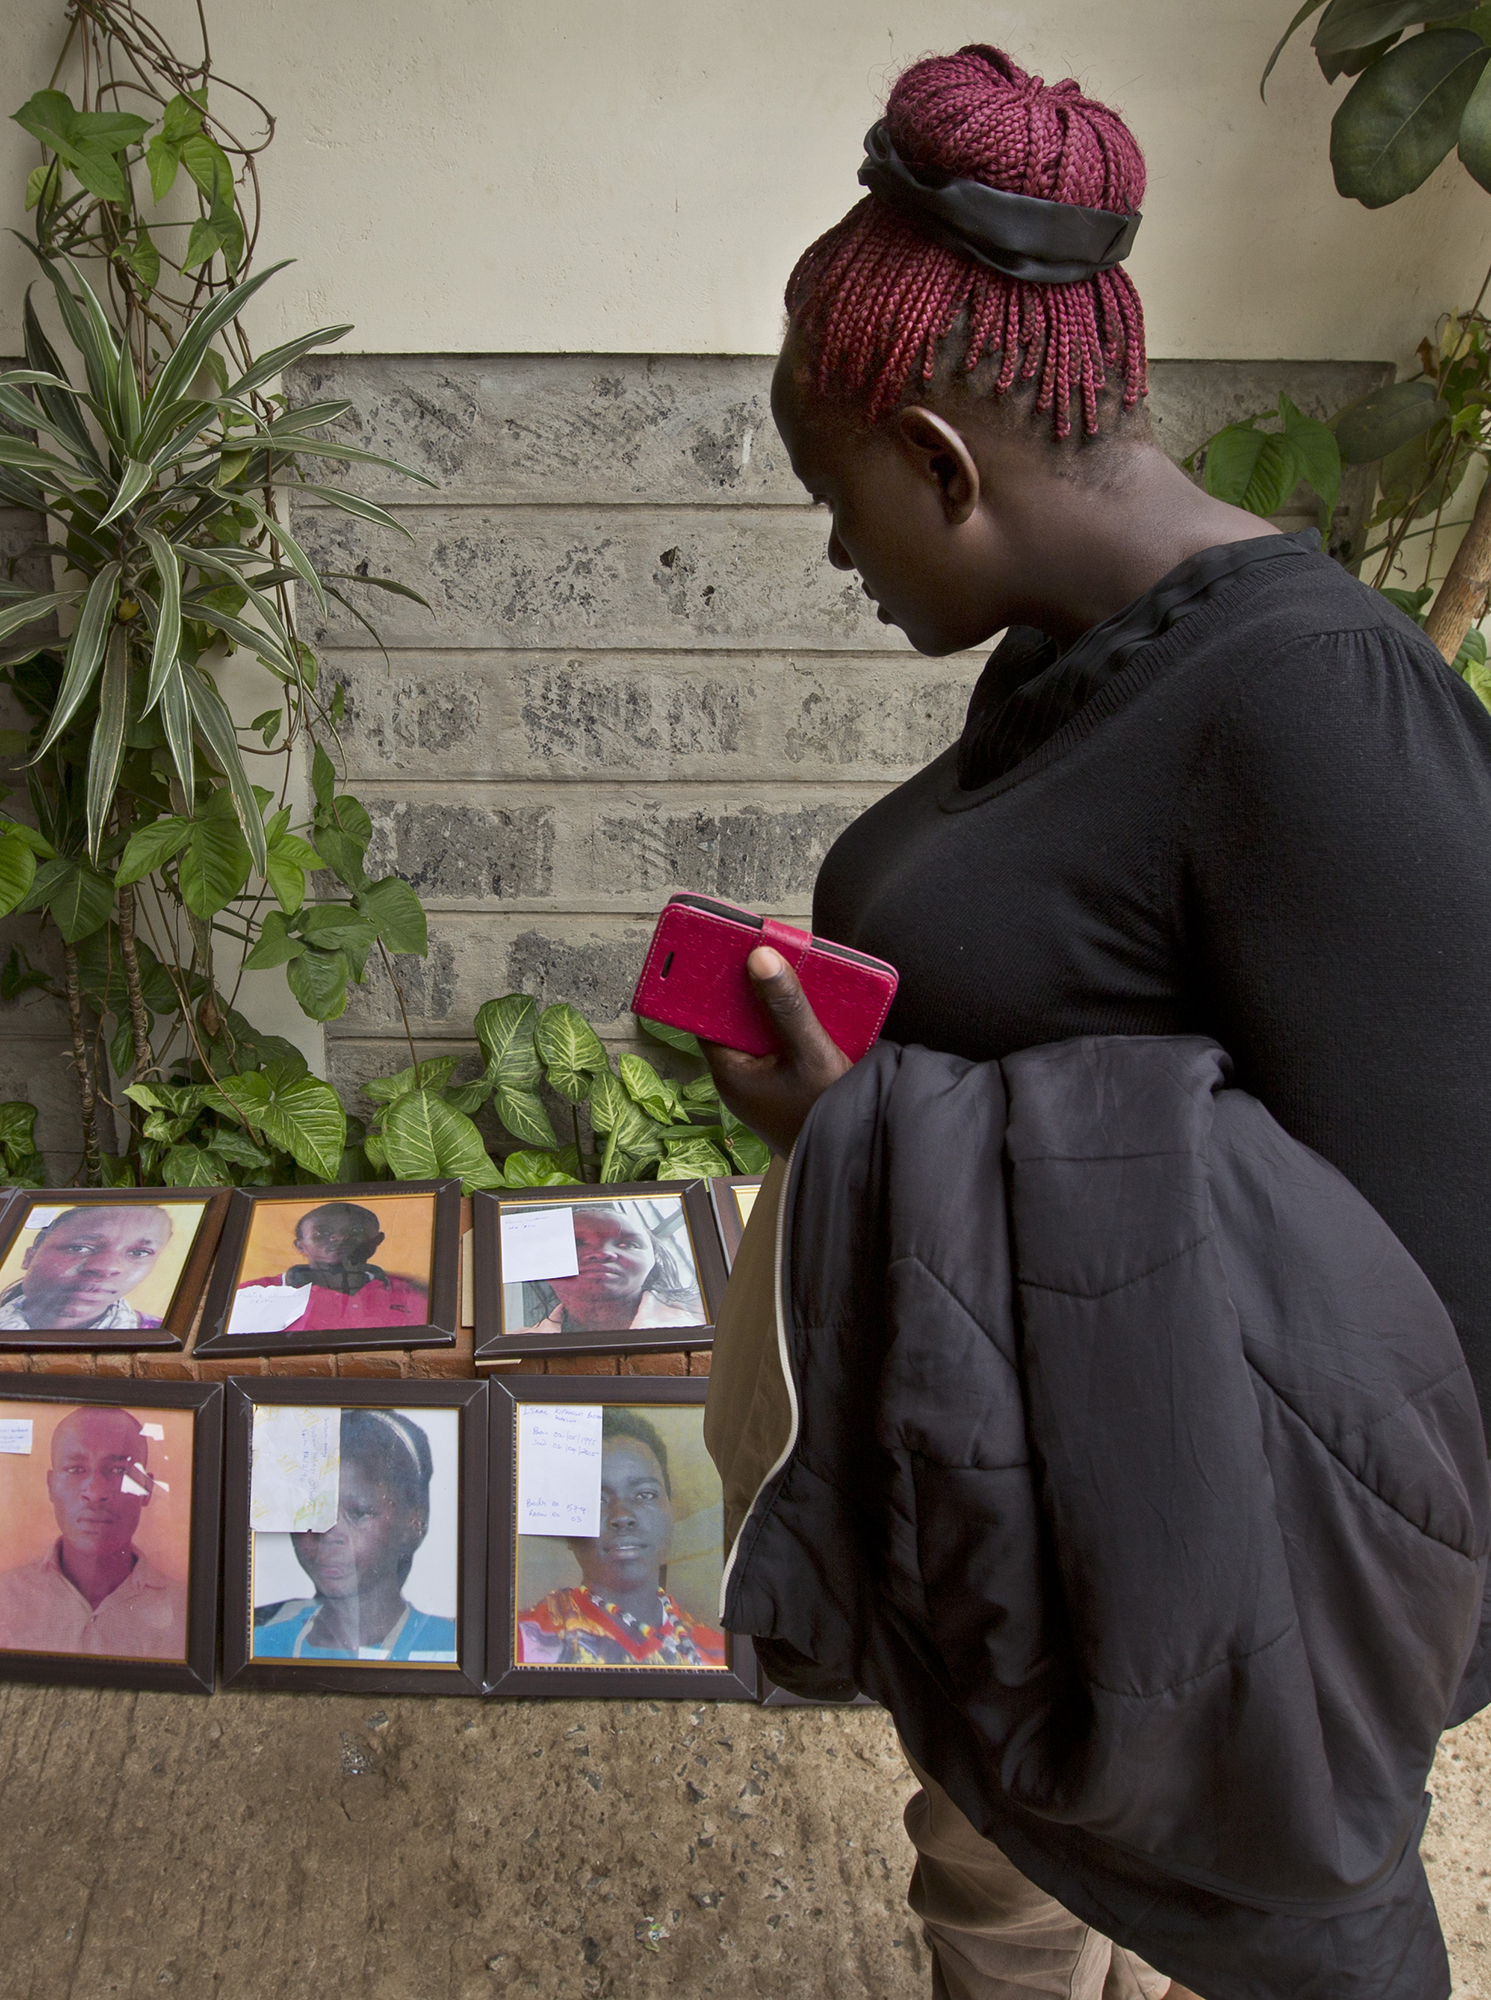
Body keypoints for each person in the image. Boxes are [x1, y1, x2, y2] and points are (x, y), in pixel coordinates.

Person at [699, 43, 1491, 2000]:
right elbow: (1102, 1054)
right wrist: (862, 1113)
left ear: (941, 464)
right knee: (1007, 1907)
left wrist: (875, 1139)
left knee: (1080, 1920)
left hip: (1167, 1592)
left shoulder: (1322, 716)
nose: (837, 556)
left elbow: (1408, 1299)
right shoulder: (1071, 657)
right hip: (1034, 1532)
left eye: (837, 502)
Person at [517, 1408, 726, 1666]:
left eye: (645, 1495)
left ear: (671, 1512)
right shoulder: (523, 1643)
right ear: (568, 1529)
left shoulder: (718, 1655)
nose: (622, 1515)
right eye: (596, 1499)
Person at [253, 1408, 456, 1661]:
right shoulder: (259, 1641)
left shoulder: (449, 1647)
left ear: (412, 1524)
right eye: (313, 1510)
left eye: (359, 1513)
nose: (328, 1533)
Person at [0, 1405, 187, 1658]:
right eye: (76, 1469)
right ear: (51, 1486)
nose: (96, 1492)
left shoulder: (187, 1612)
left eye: (119, 1470)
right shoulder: (6, 1598)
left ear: (146, 1489)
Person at [231, 1200, 428, 1336]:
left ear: (377, 1241)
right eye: (321, 1233)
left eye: (356, 1231)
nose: (338, 1238)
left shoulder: (418, 1292)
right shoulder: (253, 1295)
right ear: (301, 1246)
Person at [512, 1203, 703, 1335]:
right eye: (576, 1243)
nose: (602, 1253)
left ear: (653, 1261)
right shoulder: (510, 1349)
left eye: (627, 1244)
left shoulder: (707, 1329)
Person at [0, 1205, 174, 1332]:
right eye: (79, 1248)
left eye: (140, 1252)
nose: (107, 1268)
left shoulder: (163, 1334)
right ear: (29, 1257)